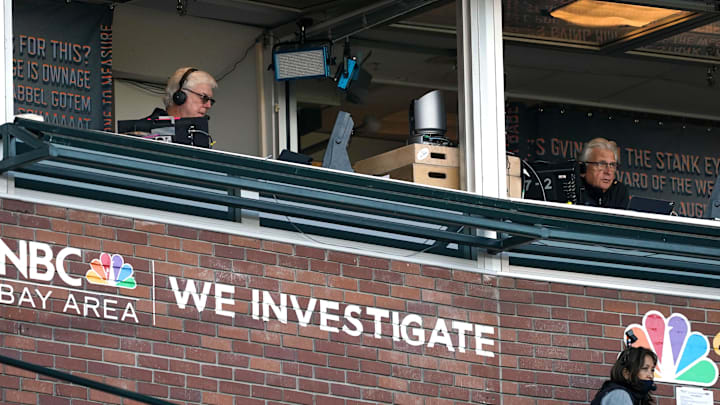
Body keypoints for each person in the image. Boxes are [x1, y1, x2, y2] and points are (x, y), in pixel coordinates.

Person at [591, 346, 657, 405]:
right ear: (626, 373)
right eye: (645, 368)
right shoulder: (619, 395)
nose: (651, 375)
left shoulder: (638, 398)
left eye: (652, 370)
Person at [145, 67, 217, 119]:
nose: (208, 105)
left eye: (211, 101)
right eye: (204, 97)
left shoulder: (200, 136)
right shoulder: (140, 132)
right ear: (179, 96)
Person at [577, 137, 630, 209]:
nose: (608, 172)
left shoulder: (619, 192)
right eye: (601, 164)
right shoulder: (573, 189)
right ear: (584, 167)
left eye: (612, 165)